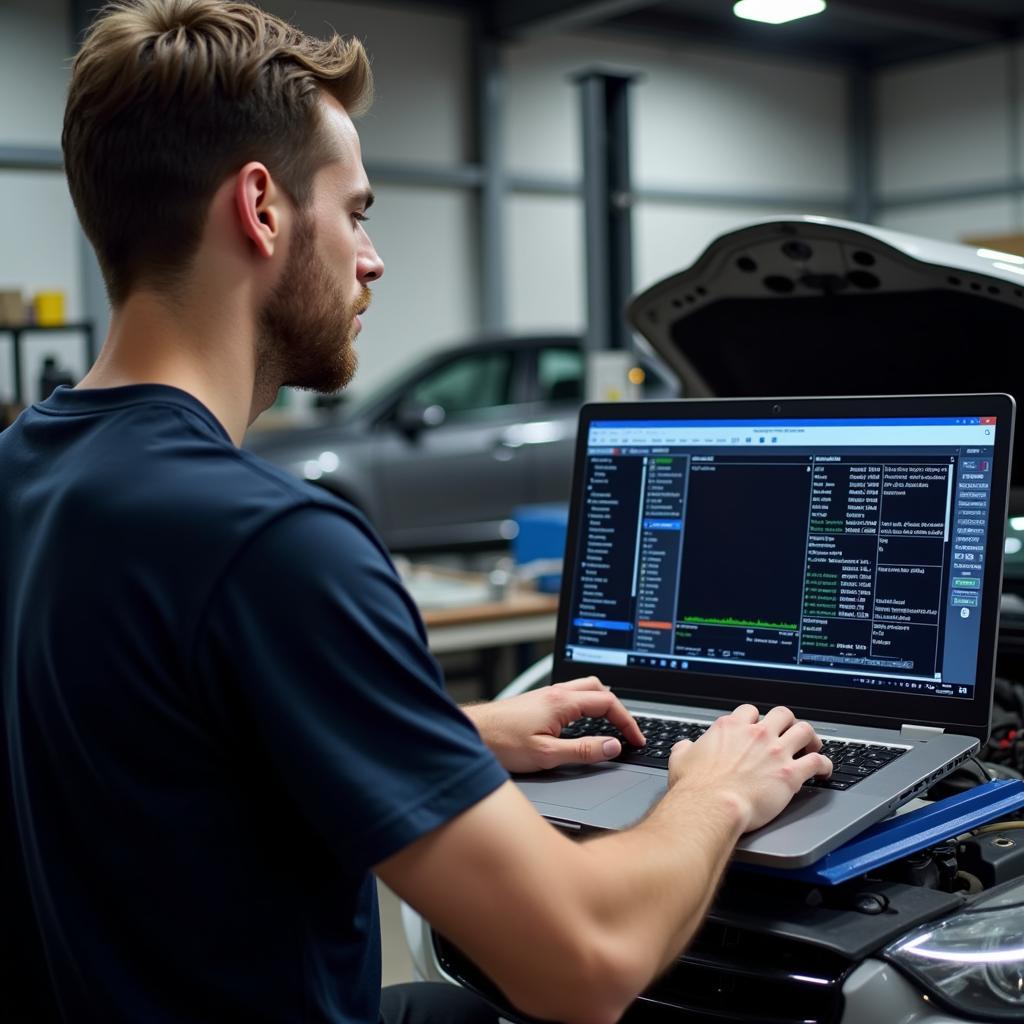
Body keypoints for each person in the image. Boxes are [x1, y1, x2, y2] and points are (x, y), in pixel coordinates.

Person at [0, 2, 832, 1022]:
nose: (372, 257)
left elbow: (146, 751)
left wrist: (448, 732)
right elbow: (584, 957)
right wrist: (719, 789)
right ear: (261, 208)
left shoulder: (26, 471)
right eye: (356, 210)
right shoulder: (270, 541)